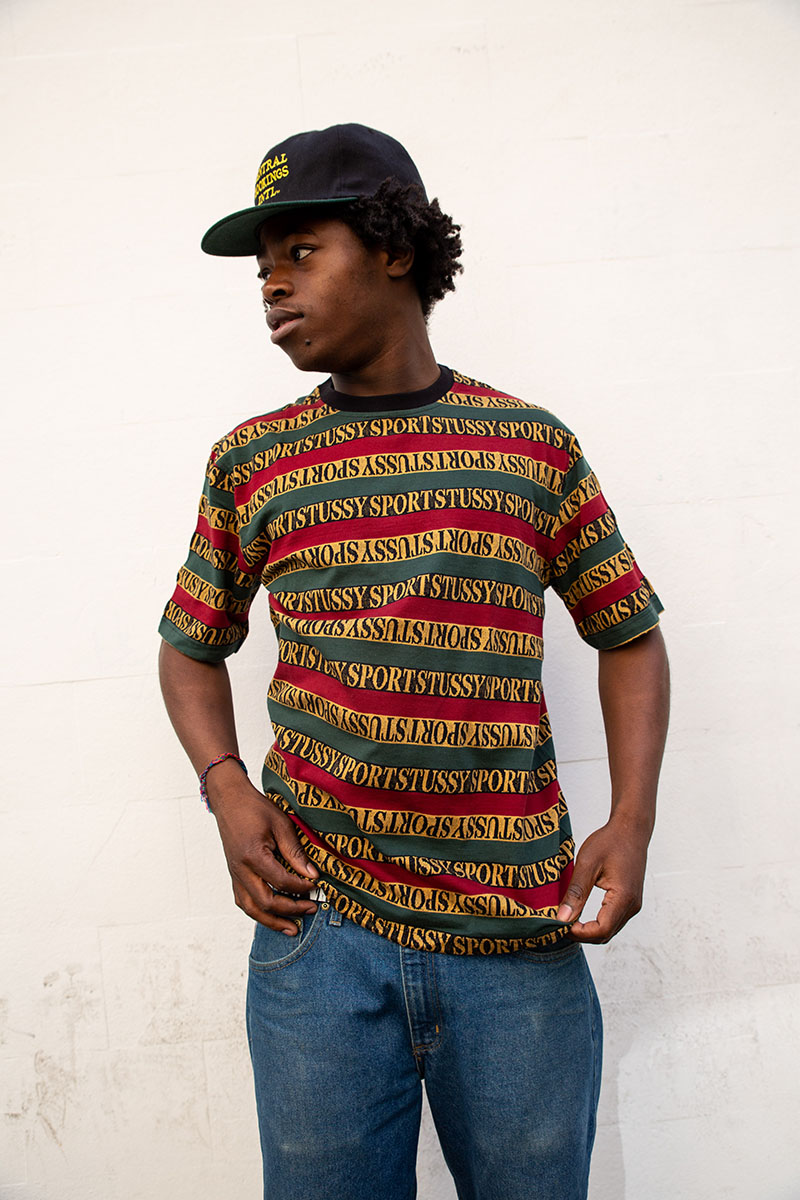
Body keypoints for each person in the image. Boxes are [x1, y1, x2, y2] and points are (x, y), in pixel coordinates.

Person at [158, 123, 670, 1200]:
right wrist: (227, 789)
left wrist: (631, 821)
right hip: (319, 932)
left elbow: (627, 632)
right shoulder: (253, 460)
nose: (272, 284)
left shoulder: (529, 447)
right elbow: (189, 648)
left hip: (517, 933)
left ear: (395, 249)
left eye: (301, 251)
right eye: (263, 267)